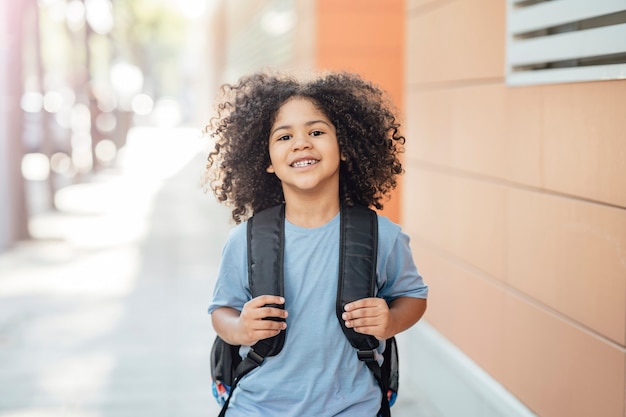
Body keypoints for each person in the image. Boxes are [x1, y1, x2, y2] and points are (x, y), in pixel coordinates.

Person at [204, 70, 428, 417]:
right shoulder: (244, 240)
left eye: (317, 132)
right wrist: (240, 327)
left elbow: (413, 297)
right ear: (265, 160)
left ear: (346, 147)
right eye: (284, 137)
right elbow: (221, 311)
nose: (301, 143)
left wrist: (391, 321)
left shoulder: (382, 236)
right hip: (257, 407)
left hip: (353, 407)